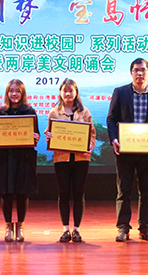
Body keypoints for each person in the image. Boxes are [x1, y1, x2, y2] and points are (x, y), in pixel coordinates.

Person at [106, 58, 148, 242]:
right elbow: (111, 119)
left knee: (147, 191)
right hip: (125, 150)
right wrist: (114, 139)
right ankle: (123, 228)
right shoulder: (120, 92)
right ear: (131, 73)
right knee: (123, 191)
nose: (140, 73)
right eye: (136, 70)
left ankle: (145, 228)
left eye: (143, 70)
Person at [45, 79, 95, 243]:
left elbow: (92, 133)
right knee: (64, 193)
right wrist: (49, 136)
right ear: (60, 93)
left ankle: (77, 230)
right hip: (62, 159)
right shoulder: (54, 112)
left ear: (76, 92)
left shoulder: (85, 112)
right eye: (65, 91)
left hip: (81, 159)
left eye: (71, 90)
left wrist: (90, 146)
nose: (68, 94)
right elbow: (49, 134)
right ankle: (65, 229)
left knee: (79, 193)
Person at [0, 79, 40, 242]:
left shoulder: (30, 111)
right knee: (6, 193)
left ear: (22, 93)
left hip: (24, 158)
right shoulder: (0, 112)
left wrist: (35, 137)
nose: (14, 94)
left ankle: (20, 226)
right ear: (7, 93)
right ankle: (8, 226)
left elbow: (36, 135)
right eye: (11, 91)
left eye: (18, 91)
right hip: (6, 158)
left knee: (22, 192)